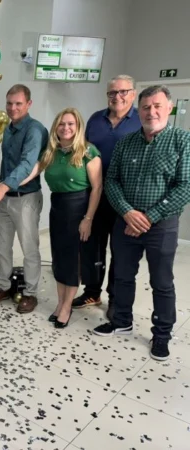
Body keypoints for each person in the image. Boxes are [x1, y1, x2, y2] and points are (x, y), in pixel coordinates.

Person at [93, 86, 190, 362]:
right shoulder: (126, 142)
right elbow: (112, 181)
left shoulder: (183, 141)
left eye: (157, 106)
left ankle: (162, 334)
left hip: (162, 225)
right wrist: (127, 212)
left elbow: (185, 186)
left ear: (169, 108)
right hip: (126, 222)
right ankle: (121, 320)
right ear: (140, 111)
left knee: (161, 281)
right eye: (146, 107)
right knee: (122, 275)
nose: (152, 112)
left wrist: (148, 217)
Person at [72, 75, 141, 316]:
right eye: (112, 92)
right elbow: (82, 151)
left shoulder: (140, 121)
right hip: (95, 196)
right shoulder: (95, 119)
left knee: (121, 252)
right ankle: (92, 292)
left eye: (123, 92)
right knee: (92, 247)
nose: (117, 97)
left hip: (124, 199)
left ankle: (115, 298)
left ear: (133, 94)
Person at [32, 108, 102, 328]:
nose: (66, 128)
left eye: (71, 124)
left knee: (73, 260)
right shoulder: (51, 152)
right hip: (58, 208)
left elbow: (97, 188)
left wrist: (88, 219)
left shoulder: (88, 151)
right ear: (56, 127)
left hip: (79, 208)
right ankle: (61, 302)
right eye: (62, 124)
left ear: (78, 126)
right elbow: (33, 171)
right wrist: (6, 185)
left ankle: (66, 306)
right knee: (59, 258)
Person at [0, 84, 48, 314]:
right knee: (2, 246)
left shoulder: (35, 130)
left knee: (29, 248)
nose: (13, 108)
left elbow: (27, 164)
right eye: (9, 103)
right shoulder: (9, 129)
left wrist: (2, 187)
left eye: (18, 103)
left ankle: (30, 293)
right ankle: (3, 286)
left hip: (26, 197)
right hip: (5, 196)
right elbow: (9, 164)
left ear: (29, 104)